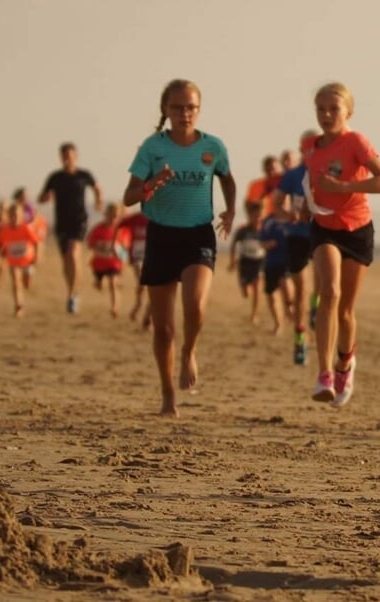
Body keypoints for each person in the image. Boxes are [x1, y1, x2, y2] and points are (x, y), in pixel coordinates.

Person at [122, 78, 236, 417]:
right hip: (161, 236)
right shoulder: (152, 148)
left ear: (199, 110)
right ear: (166, 110)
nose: (185, 113)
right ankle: (168, 395)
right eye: (177, 107)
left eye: (191, 107)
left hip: (198, 234)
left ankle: (189, 351)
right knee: (163, 328)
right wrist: (151, 184)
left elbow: (227, 178)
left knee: (196, 306)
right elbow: (128, 197)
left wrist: (231, 209)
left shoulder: (213, 146)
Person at [304, 82, 380, 406]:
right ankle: (324, 374)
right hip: (324, 228)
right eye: (321, 109)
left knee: (345, 311)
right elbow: (311, 181)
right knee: (329, 293)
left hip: (357, 229)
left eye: (334, 109)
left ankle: (345, 363)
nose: (327, 115)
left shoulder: (356, 141)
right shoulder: (310, 146)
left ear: (348, 112)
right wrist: (305, 204)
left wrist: (342, 186)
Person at [273, 129, 320, 366]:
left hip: (324, 234)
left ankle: (316, 308)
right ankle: (300, 337)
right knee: (301, 287)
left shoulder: (329, 172)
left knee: (322, 285)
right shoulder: (292, 176)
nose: (312, 152)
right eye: (307, 148)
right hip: (297, 236)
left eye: (316, 147)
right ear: (302, 150)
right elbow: (277, 204)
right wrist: (289, 214)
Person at [38, 141, 103, 313]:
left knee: (74, 254)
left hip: (79, 221)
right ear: (61, 158)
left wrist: (98, 201)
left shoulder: (83, 175)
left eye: (70, 156)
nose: (67, 159)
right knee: (66, 259)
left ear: (75, 156)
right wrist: (47, 197)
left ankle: (74, 295)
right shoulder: (55, 177)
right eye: (64, 156)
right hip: (62, 222)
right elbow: (41, 197)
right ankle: (71, 292)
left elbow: (97, 188)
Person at [0, 202, 40, 317]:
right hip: (14, 260)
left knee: (26, 284)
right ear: (9, 216)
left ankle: (28, 280)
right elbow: (2, 245)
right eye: (12, 215)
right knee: (16, 282)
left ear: (21, 216)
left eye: (17, 215)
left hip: (27, 261)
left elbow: (36, 242)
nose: (14, 218)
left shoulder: (26, 228)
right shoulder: (6, 231)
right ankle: (19, 307)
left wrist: (36, 257)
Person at [87, 203, 132, 317]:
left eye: (115, 216)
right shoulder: (98, 229)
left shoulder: (122, 231)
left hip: (114, 264)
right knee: (98, 284)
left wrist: (121, 256)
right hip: (99, 264)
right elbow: (90, 244)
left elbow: (125, 249)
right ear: (105, 215)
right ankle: (98, 282)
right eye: (110, 216)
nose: (113, 219)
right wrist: (99, 246)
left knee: (113, 283)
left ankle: (115, 307)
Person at [228, 203, 265, 325]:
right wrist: (232, 261)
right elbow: (233, 244)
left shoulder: (265, 230)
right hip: (245, 262)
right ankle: (245, 288)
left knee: (257, 288)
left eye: (260, 216)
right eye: (255, 216)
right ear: (249, 216)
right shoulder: (242, 230)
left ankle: (255, 315)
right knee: (246, 293)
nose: (257, 219)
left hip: (259, 262)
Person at [260, 201, 292, 335]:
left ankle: (292, 316)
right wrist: (268, 244)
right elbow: (262, 242)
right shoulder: (269, 221)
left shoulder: (293, 219)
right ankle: (278, 323)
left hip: (289, 263)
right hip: (272, 262)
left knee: (287, 289)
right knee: (271, 295)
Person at [118, 208, 151, 328]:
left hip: (154, 257)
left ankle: (147, 316)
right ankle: (138, 306)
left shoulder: (159, 218)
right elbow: (117, 225)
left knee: (155, 287)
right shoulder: (135, 218)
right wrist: (116, 245)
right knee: (143, 282)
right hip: (137, 257)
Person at [245, 155, 282, 220]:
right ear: (264, 170)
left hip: (284, 220)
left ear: (280, 168)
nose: (271, 173)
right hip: (263, 221)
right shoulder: (256, 185)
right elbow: (249, 204)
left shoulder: (287, 184)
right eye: (268, 170)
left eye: (273, 169)